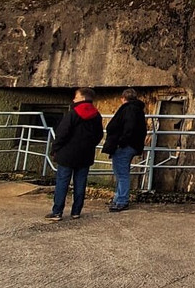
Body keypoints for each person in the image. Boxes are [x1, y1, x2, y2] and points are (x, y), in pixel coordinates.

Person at [46, 87, 104, 221]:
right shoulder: (97, 115)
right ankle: (76, 211)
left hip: (67, 153)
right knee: (80, 182)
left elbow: (62, 133)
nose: (74, 99)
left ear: (83, 98)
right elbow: (99, 135)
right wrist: (89, 145)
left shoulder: (73, 113)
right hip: (85, 154)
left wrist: (55, 148)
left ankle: (57, 212)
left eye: (76, 97)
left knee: (62, 181)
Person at [101, 88, 148, 212]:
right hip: (132, 145)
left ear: (123, 98)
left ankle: (121, 200)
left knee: (121, 174)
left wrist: (119, 143)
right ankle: (119, 198)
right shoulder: (138, 110)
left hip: (124, 146)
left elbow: (128, 128)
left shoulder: (128, 109)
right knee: (122, 173)